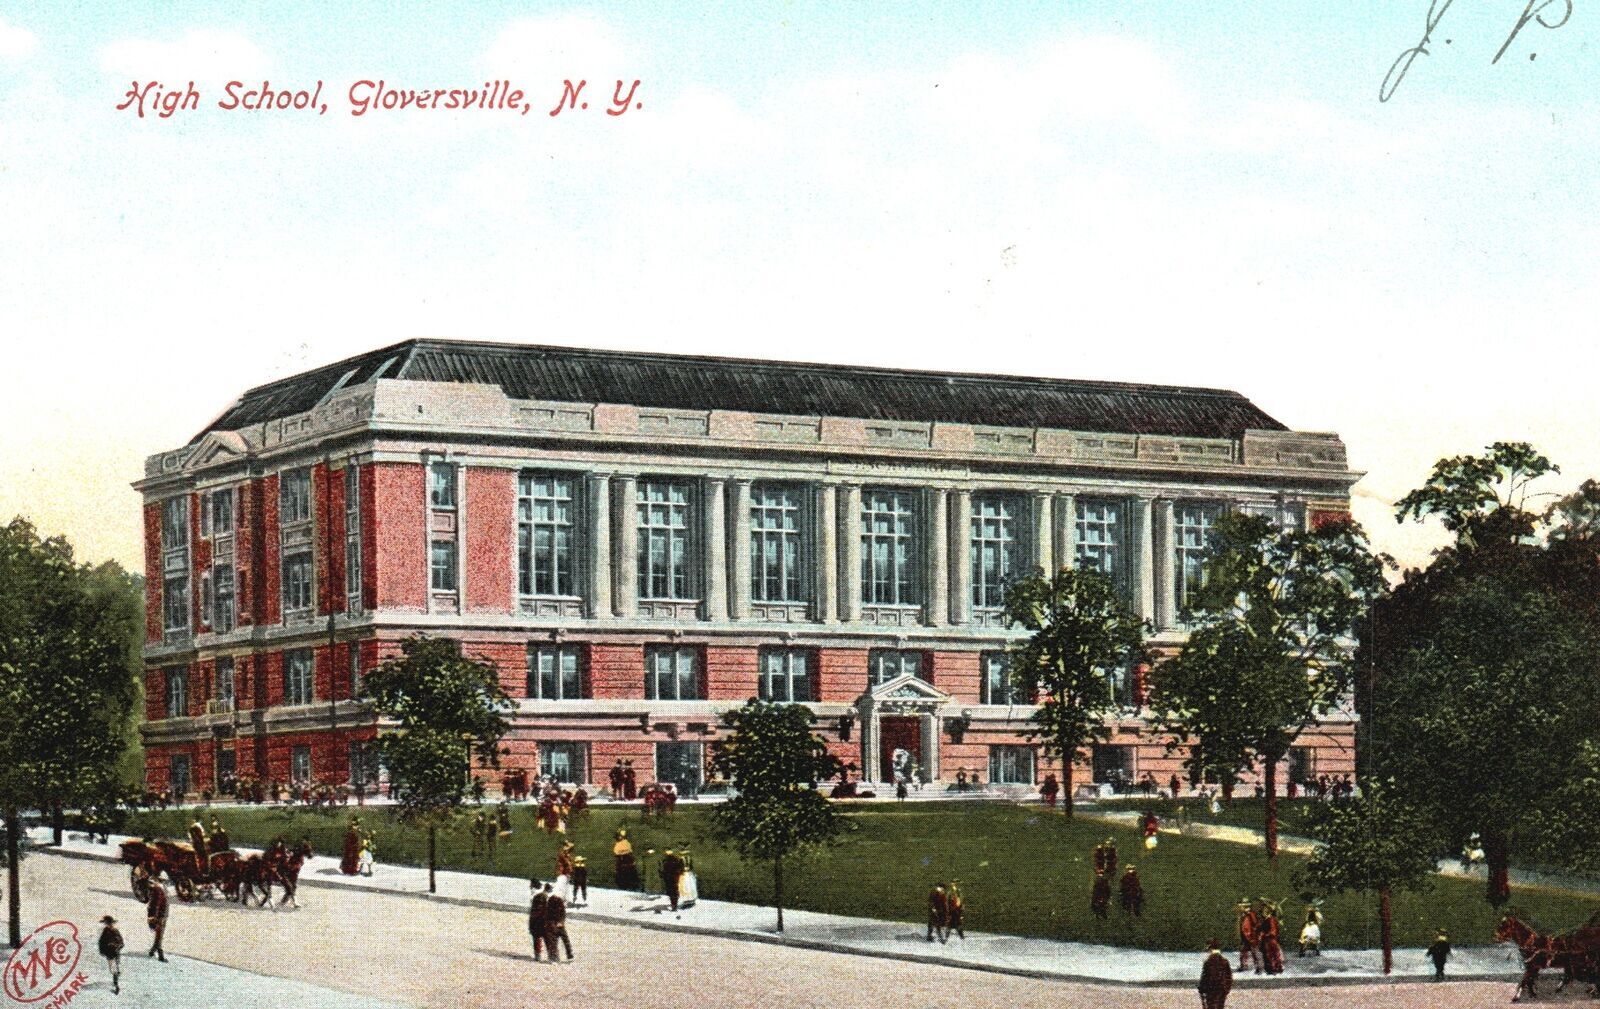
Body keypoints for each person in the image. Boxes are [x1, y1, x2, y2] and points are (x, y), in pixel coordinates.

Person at [1199, 939, 1234, 1009]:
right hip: (1222, 988)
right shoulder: (1224, 961)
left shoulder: (1208, 962)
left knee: (1211, 1006)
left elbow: (1204, 976)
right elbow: (1229, 977)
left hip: (1210, 989)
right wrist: (1227, 988)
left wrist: (1201, 989)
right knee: (1220, 1006)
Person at [542, 882, 573, 961]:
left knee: (558, 940)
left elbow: (562, 913)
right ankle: (558, 956)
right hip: (554, 923)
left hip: (555, 923)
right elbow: (560, 913)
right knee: (560, 939)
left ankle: (566, 955)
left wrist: (560, 922)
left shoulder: (555, 900)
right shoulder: (554, 900)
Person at [98, 915, 124, 994]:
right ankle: (116, 981)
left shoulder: (114, 931)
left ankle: (116, 986)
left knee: (113, 969)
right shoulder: (105, 931)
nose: (107, 925)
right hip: (110, 952)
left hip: (114, 952)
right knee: (113, 969)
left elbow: (121, 943)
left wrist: (115, 946)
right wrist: (103, 950)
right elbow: (101, 942)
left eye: (107, 923)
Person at [145, 877, 169, 962]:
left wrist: (153, 916)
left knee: (159, 935)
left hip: (160, 917)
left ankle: (153, 951)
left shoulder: (158, 890)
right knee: (159, 936)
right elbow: (156, 905)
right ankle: (160, 956)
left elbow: (156, 905)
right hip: (160, 917)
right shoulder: (159, 890)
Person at [1260, 900, 1285, 975]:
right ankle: (1272, 968)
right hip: (1267, 940)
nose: (1262, 912)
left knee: (1271, 954)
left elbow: (1273, 931)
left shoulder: (1271, 920)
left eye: (1264, 911)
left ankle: (1274, 969)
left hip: (1270, 940)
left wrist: (1264, 934)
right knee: (1269, 954)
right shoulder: (1267, 919)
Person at [1236, 899, 1261, 974]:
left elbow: (1256, 925)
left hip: (1250, 938)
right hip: (1245, 937)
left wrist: (1253, 935)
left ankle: (1258, 968)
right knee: (1243, 953)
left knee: (1254, 953)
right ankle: (1243, 966)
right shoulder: (1243, 915)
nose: (1239, 908)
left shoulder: (1251, 915)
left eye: (1240, 906)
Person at [528, 879, 549, 961]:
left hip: (538, 918)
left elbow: (538, 908)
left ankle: (538, 955)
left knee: (537, 936)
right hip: (542, 917)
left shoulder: (537, 895)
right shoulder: (541, 894)